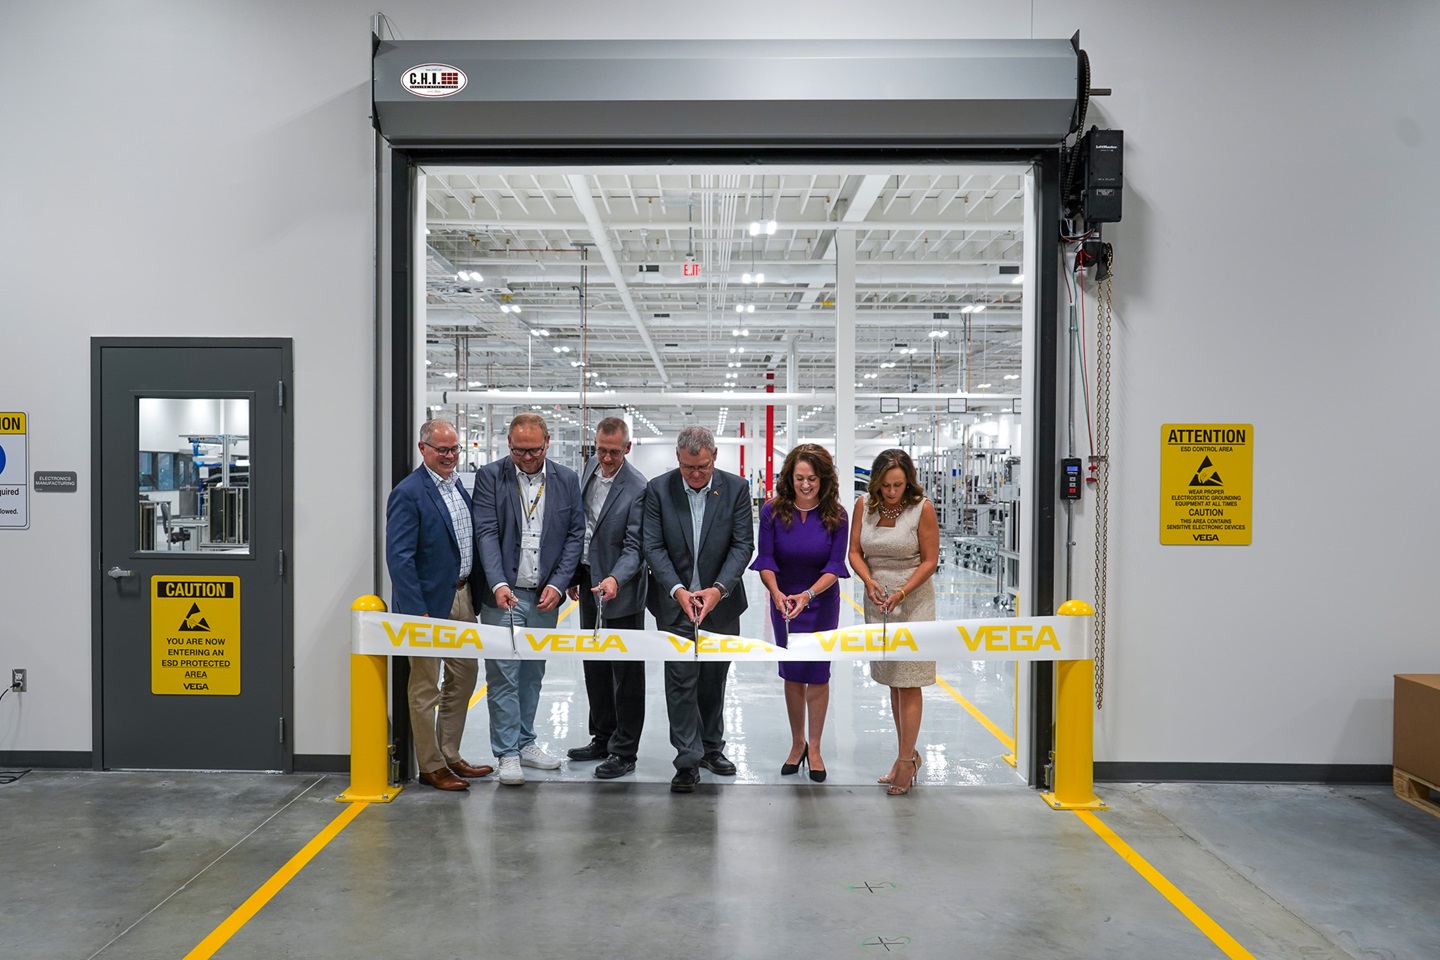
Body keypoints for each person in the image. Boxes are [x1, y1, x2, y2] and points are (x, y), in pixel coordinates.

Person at [472, 412, 584, 786]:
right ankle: (506, 753)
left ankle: (525, 742)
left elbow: (574, 536)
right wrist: (497, 583)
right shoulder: (491, 477)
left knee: (533, 673)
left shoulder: (567, 480)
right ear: (509, 445)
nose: (527, 458)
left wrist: (559, 584)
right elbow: (486, 533)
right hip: (504, 595)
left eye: (534, 450)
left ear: (547, 443)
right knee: (503, 674)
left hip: (544, 597)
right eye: (519, 451)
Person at [643, 425, 754, 793]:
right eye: (688, 467)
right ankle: (687, 759)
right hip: (675, 605)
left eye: (703, 467)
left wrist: (718, 590)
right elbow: (653, 546)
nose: (695, 474)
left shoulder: (736, 489)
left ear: (715, 457)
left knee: (713, 680)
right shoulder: (658, 490)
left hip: (721, 605)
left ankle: (711, 747)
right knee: (680, 683)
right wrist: (677, 590)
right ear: (677, 458)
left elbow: (742, 545)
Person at [384, 419, 493, 791]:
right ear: (423, 449)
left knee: (464, 675)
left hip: (461, 595)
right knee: (425, 686)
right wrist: (417, 611)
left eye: (454, 449)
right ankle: (431, 766)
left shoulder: (457, 485)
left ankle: (450, 754)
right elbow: (399, 558)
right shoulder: (409, 493)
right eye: (442, 450)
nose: (450, 456)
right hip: (427, 605)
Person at [750, 444, 849, 783]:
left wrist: (808, 595)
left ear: (824, 480)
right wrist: (777, 594)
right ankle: (797, 744)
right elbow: (766, 560)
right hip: (784, 604)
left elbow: (835, 566)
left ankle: (815, 748)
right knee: (792, 673)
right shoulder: (772, 511)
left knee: (818, 674)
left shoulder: (837, 515)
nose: (806, 485)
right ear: (789, 478)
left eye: (812, 479)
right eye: (799, 478)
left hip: (820, 602)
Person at [848, 448, 940, 797]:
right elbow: (854, 552)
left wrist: (902, 592)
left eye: (898, 485)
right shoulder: (864, 506)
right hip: (879, 602)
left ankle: (904, 761)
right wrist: (868, 580)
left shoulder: (922, 509)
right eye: (885, 485)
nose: (891, 492)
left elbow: (930, 561)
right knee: (892, 682)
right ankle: (908, 755)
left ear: (908, 482)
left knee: (910, 681)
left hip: (912, 601)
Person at [564, 417, 649, 780]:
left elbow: (635, 546)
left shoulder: (638, 487)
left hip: (621, 587)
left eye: (614, 452)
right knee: (595, 663)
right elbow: (581, 527)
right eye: (601, 450)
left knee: (625, 671)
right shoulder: (589, 469)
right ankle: (602, 736)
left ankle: (625, 750)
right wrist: (574, 574)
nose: (607, 458)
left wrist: (614, 578)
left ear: (627, 448)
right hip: (588, 580)